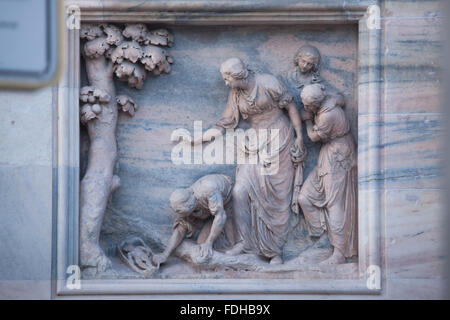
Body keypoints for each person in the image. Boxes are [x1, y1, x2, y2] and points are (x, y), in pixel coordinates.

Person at [197, 58, 306, 264]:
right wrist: (198, 138)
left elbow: (291, 107)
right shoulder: (236, 94)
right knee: (240, 191)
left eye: (228, 78)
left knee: (276, 198)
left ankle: (274, 251)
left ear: (239, 75)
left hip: (280, 140)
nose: (226, 83)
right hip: (255, 144)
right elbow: (225, 123)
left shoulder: (268, 83)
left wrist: (300, 137)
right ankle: (244, 243)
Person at [298, 83, 357, 264]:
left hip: (337, 156)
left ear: (315, 104)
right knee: (304, 197)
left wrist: (307, 121)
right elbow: (340, 98)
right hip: (328, 154)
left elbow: (314, 137)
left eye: (307, 105)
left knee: (335, 204)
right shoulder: (330, 100)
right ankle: (325, 237)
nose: (305, 108)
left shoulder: (327, 115)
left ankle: (339, 253)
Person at [152, 174, 236, 266]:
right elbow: (180, 231)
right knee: (201, 247)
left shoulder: (209, 190)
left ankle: (235, 254)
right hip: (212, 212)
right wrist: (165, 254)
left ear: (189, 205)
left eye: (181, 211)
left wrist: (209, 243)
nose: (181, 214)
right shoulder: (188, 201)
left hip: (228, 202)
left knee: (218, 245)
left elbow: (221, 215)